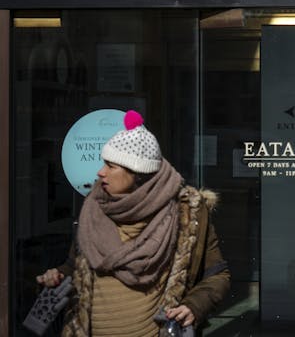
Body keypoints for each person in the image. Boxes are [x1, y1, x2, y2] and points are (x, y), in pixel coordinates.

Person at [36, 110, 230, 336]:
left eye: (111, 166)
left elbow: (218, 276)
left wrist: (194, 306)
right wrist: (58, 275)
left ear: (138, 174)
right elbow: (76, 267)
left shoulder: (186, 214)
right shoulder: (93, 209)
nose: (101, 172)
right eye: (103, 164)